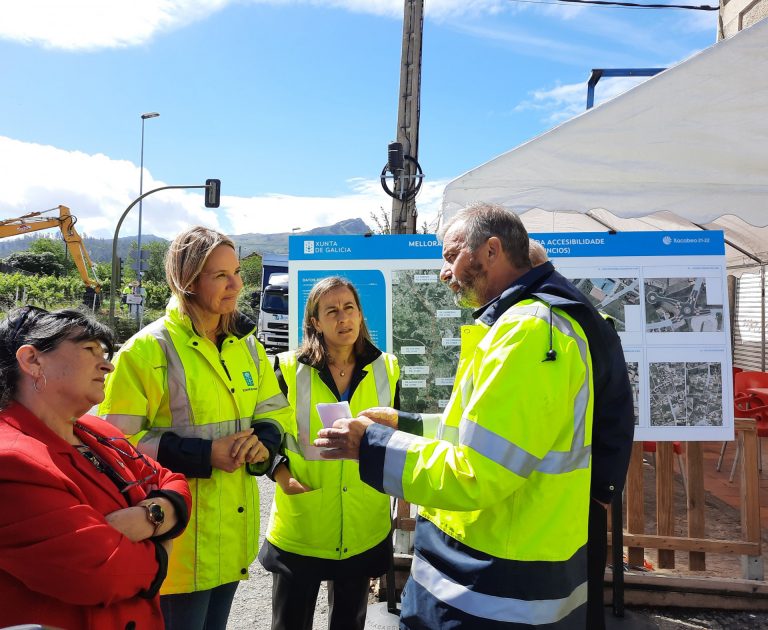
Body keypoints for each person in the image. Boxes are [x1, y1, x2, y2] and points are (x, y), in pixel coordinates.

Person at [316, 202, 607, 628]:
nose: (444, 272)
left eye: (452, 256)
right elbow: (485, 432)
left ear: (491, 251)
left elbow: (478, 472)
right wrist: (408, 424)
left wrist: (371, 445)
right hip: (494, 575)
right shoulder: (524, 324)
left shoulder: (526, 333)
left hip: (496, 589)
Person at [99, 226, 292, 630]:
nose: (236, 284)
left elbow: (274, 409)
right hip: (179, 544)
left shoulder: (249, 346)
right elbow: (117, 446)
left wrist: (264, 442)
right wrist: (206, 456)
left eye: (236, 271)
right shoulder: (146, 350)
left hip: (231, 536)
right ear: (187, 281)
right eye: (220, 275)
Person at [0, 306, 191, 629]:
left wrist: (149, 516)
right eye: (89, 349)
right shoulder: (12, 461)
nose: (107, 364)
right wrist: (164, 543)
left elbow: (172, 480)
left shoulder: (97, 431)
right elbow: (104, 573)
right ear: (32, 360)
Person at [258, 276, 401, 630]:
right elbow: (263, 437)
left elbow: (396, 433)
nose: (343, 318)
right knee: (290, 623)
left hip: (363, 522)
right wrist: (281, 475)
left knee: (349, 623)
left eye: (349, 308)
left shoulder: (388, 367)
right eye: (332, 311)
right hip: (304, 520)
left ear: (360, 314)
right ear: (315, 322)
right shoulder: (287, 369)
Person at [527, 239, 635, 630]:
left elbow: (618, 411)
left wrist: (603, 490)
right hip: (560, 488)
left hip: (580, 489)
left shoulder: (575, 322)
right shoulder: (556, 317)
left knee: (578, 587)